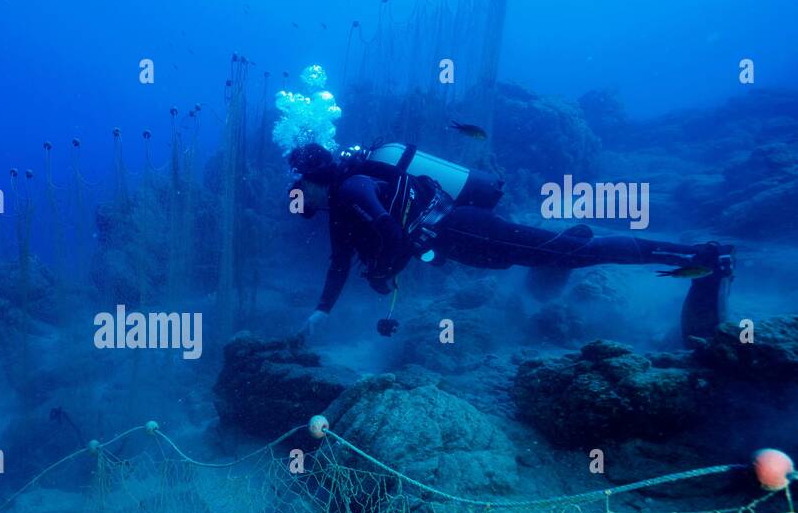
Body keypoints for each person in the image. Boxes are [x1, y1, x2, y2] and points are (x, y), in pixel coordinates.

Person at [287, 142, 733, 346]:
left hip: (466, 231)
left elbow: (391, 235)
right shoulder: (342, 207)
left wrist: (385, 270)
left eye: (298, 187)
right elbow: (339, 263)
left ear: (313, 178)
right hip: (465, 239)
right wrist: (321, 311)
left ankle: (699, 255)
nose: (297, 197)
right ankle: (573, 242)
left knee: (572, 254)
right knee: (553, 253)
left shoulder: (352, 191)